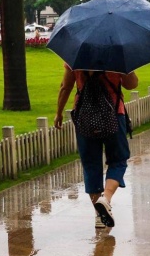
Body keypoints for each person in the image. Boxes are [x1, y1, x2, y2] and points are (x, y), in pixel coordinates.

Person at [56, 64, 139, 229]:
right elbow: (132, 84)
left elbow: (66, 87)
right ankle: (106, 199)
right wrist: (125, 65)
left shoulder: (76, 56)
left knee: (91, 164)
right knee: (118, 160)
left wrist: (58, 113)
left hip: (84, 116)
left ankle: (99, 215)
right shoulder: (115, 55)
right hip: (114, 114)